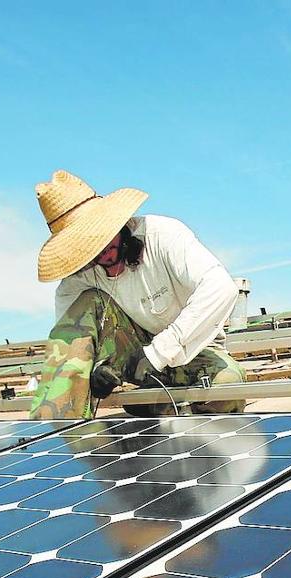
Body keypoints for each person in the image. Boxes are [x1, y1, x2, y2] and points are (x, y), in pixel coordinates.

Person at [28, 169, 246, 420]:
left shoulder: (163, 236)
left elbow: (220, 287)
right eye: (89, 250)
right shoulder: (75, 282)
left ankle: (158, 402)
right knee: (85, 304)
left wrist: (156, 354)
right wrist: (98, 368)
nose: (103, 256)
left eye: (103, 241)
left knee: (227, 387)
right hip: (129, 358)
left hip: (193, 350)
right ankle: (67, 432)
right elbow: (68, 346)